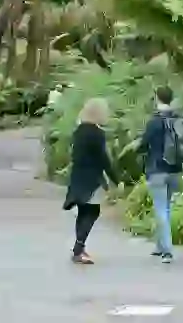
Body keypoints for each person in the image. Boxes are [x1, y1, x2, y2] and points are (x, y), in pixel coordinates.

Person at [61, 97, 119, 265]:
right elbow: (103, 159)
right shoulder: (97, 133)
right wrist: (116, 179)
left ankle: (79, 248)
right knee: (92, 211)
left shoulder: (78, 131)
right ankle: (78, 249)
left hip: (78, 176)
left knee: (84, 211)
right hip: (92, 178)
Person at [139, 86, 183, 264]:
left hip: (157, 170)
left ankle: (167, 251)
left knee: (161, 209)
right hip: (175, 170)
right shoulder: (178, 119)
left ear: (157, 98)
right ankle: (160, 245)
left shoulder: (154, 122)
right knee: (166, 206)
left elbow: (143, 144)